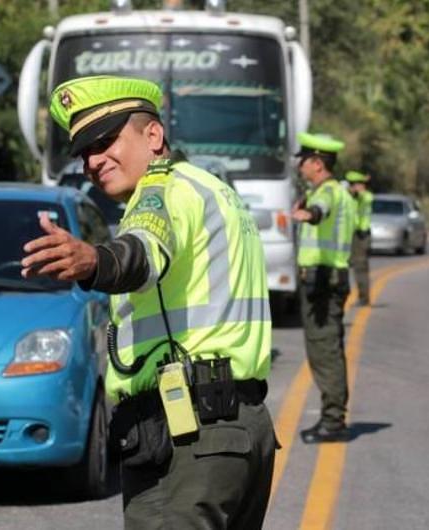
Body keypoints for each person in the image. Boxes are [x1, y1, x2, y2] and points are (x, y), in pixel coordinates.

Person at [20, 75, 275, 529]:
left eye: (105, 142)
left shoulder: (161, 192)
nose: (93, 162)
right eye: (83, 152)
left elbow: (141, 252)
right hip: (239, 429)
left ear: (153, 135)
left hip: (190, 439)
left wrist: (95, 261)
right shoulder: (213, 190)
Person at [292, 132, 356, 444]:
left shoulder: (328, 192)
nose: (300, 165)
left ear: (317, 163)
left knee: (324, 350)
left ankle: (333, 422)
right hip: (330, 278)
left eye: (304, 160)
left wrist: (310, 214)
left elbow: (321, 209)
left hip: (323, 281)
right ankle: (332, 417)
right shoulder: (337, 191)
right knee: (329, 348)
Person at [345, 170, 373, 306]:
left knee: (360, 267)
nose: (353, 187)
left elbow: (361, 197)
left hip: (361, 236)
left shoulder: (366, 196)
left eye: (355, 184)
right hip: (350, 234)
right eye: (352, 184)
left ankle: (364, 297)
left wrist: (357, 191)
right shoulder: (350, 196)